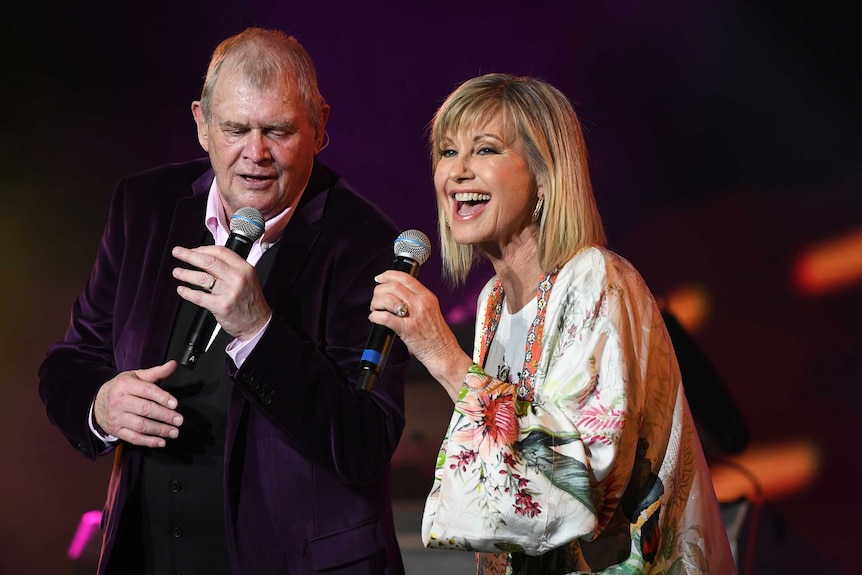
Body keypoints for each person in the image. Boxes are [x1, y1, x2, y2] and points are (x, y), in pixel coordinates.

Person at [38, 28, 410, 575]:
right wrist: (100, 404)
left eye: (277, 131)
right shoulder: (143, 206)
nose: (254, 154)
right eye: (236, 129)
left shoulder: (370, 244)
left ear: (320, 126)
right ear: (201, 124)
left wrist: (258, 329)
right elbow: (69, 362)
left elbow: (365, 442)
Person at [369, 73, 737, 574]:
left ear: (545, 175)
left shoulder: (598, 281)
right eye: (447, 152)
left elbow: (579, 485)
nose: (457, 172)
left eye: (486, 150)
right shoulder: (493, 302)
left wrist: (443, 356)